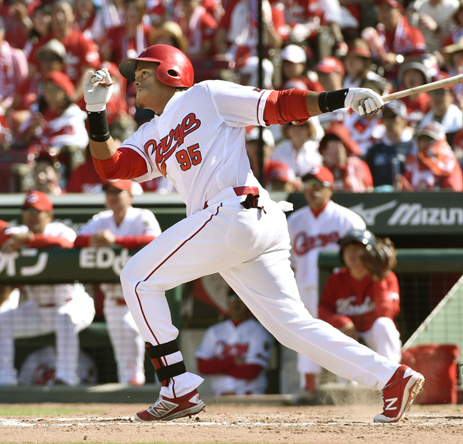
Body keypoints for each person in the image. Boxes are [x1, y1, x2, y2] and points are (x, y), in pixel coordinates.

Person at [82, 44, 424, 422]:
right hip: (240, 224)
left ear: (172, 72)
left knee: (136, 277)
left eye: (145, 71)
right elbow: (113, 167)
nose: (136, 80)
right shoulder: (150, 132)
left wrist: (342, 98)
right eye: (135, 74)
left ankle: (176, 387)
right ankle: (392, 377)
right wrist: (96, 112)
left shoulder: (207, 95)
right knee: (292, 328)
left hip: (234, 211)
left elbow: (277, 105)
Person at [0, 191, 95, 386]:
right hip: (37, 309)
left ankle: (66, 379)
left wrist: (27, 241)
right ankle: (5, 379)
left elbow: (64, 244)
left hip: (73, 304)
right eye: (27, 210)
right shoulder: (17, 232)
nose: (31, 215)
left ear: (49, 215)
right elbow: (5, 236)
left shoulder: (61, 230)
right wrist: (16, 239)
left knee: (64, 318)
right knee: (2, 322)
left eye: (37, 211)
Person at [287, 165, 367, 394]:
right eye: (308, 185)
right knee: (305, 335)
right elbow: (288, 260)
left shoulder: (348, 219)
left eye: (318, 185)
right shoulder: (294, 221)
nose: (312, 190)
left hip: (338, 290)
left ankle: (348, 385)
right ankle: (309, 387)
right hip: (304, 288)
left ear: (330, 189)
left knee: (340, 334)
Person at [75, 179, 162, 385]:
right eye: (109, 192)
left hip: (143, 296)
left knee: (158, 343)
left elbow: (153, 239)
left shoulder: (142, 215)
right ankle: (131, 388)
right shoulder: (101, 219)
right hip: (113, 298)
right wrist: (93, 238)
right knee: (122, 355)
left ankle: (163, 387)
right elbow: (77, 240)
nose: (112, 196)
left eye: (118, 192)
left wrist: (116, 240)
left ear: (130, 195)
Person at [319, 229, 401, 365]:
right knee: (336, 331)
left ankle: (390, 374)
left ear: (371, 253)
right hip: (349, 336)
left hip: (373, 335)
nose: (351, 253)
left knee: (384, 325)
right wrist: (342, 322)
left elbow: (387, 313)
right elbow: (323, 310)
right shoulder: (336, 278)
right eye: (347, 249)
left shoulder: (387, 277)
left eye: (357, 249)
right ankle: (344, 379)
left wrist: (378, 277)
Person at [196, 290, 274, 396]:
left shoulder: (259, 331)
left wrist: (217, 366)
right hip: (220, 397)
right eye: (232, 298)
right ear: (227, 302)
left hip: (250, 396)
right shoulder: (214, 331)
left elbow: (252, 371)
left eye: (240, 298)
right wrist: (232, 361)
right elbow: (202, 367)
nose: (236, 302)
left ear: (248, 303)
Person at [365, 101, 414, 190]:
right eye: (386, 117)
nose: (389, 121)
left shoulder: (413, 146)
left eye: (393, 116)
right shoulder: (375, 149)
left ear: (403, 120)